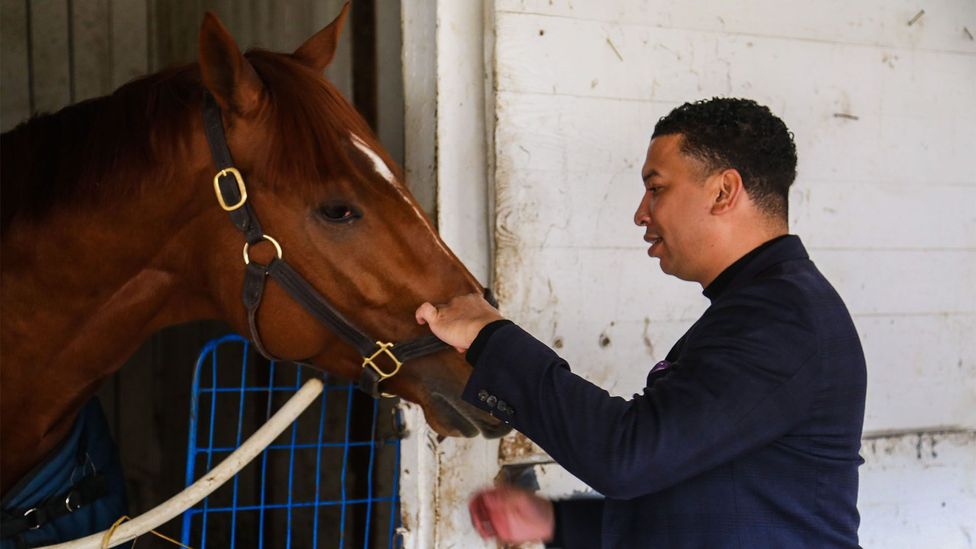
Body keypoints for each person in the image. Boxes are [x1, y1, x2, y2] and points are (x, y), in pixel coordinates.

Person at [415, 97, 867, 548]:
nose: (641, 214)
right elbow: (704, 497)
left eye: (657, 188)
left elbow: (628, 456)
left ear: (724, 192)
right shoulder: (762, 307)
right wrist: (554, 521)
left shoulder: (782, 319)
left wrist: (489, 337)